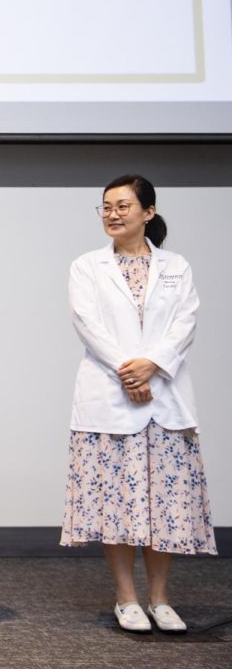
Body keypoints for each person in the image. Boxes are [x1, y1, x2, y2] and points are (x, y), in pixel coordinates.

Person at [61, 174, 216, 634]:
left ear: (148, 212)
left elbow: (184, 322)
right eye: (106, 206)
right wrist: (128, 371)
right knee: (118, 502)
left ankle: (161, 599)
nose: (112, 213)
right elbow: (87, 323)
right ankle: (126, 597)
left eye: (123, 206)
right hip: (110, 397)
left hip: (164, 396)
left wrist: (152, 365)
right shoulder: (87, 266)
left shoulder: (176, 266)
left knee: (162, 501)